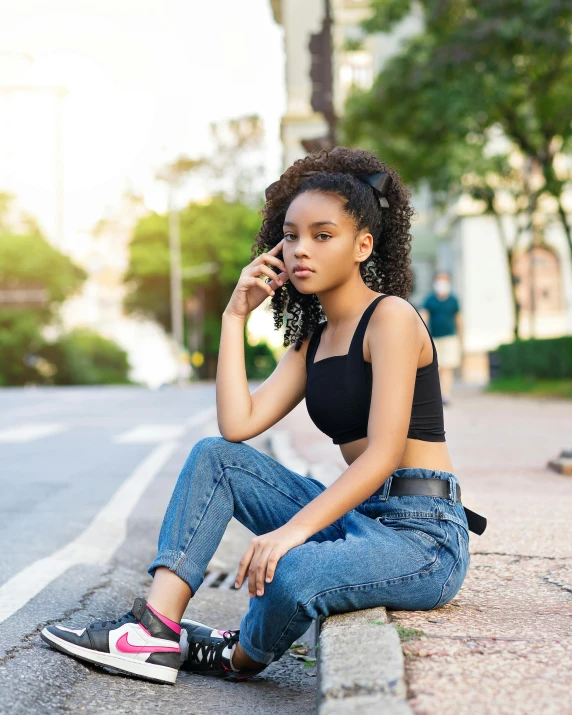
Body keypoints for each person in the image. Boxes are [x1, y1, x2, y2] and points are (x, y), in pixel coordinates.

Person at [40, 146, 485, 686]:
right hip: (358, 517)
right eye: (292, 235)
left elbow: (385, 453)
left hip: (421, 537)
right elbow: (238, 425)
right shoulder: (312, 341)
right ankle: (154, 630)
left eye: (323, 235)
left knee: (292, 570)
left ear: (362, 245)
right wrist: (235, 316)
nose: (302, 249)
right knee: (216, 458)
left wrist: (290, 533)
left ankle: (238, 656)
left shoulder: (391, 318)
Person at [419, 272, 463, 406]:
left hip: (450, 338)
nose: (442, 284)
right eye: (440, 280)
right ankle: (436, 394)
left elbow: (459, 319)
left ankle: (446, 395)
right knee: (436, 368)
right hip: (434, 339)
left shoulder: (453, 300)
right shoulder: (430, 299)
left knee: (447, 368)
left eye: (445, 280)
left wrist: (462, 338)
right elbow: (423, 317)